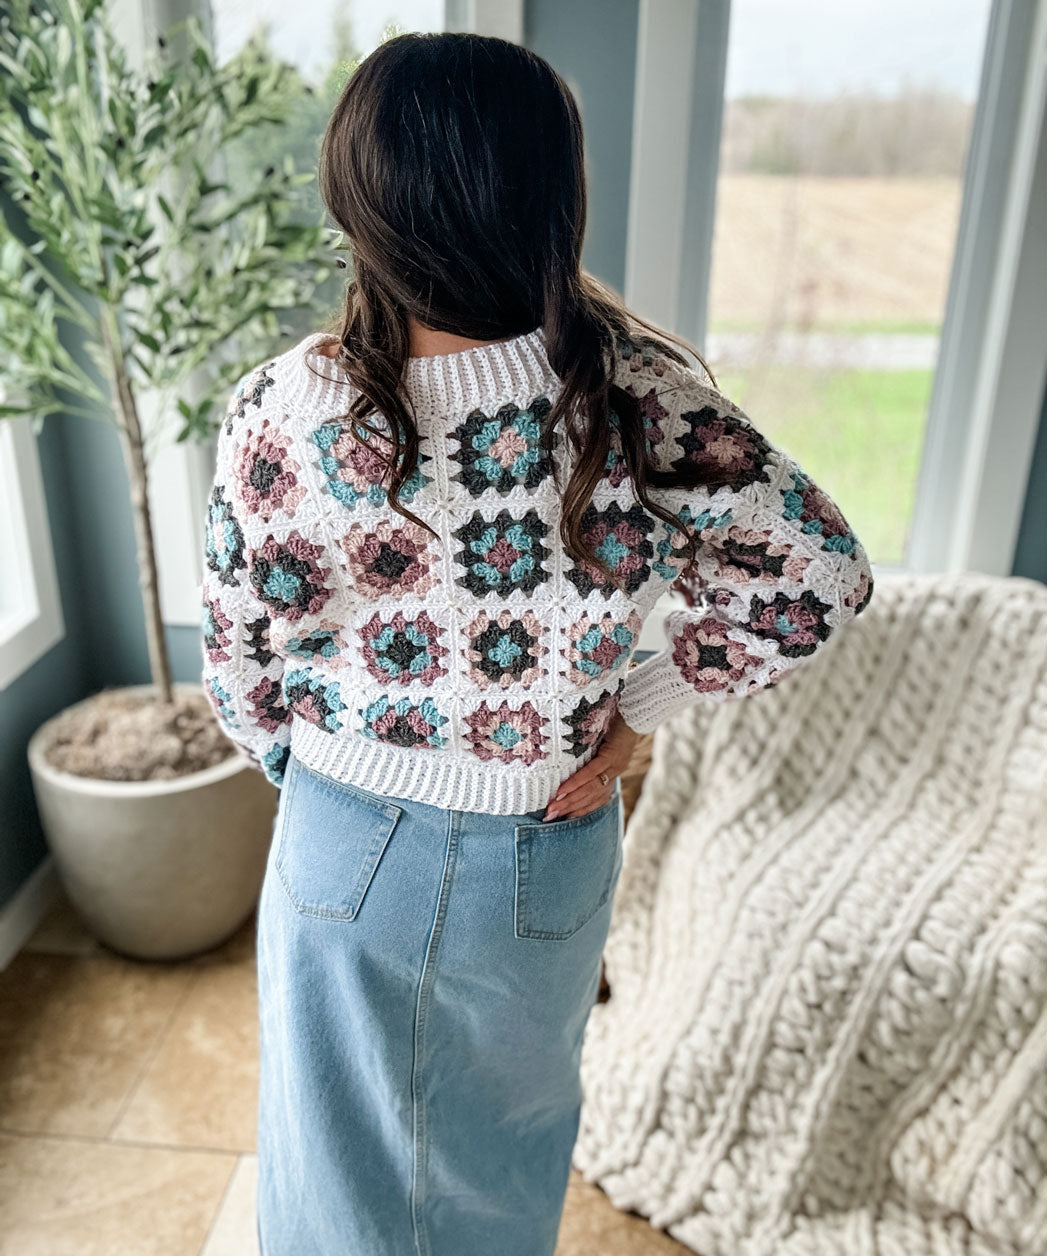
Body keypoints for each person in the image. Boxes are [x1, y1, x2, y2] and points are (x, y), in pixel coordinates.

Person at [198, 30, 875, 1256]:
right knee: (506, 1154)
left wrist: (323, 771)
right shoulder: (637, 393)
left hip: (345, 838)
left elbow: (240, 661)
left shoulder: (283, 408)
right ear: (554, 196)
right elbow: (819, 571)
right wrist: (639, 712)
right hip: (548, 845)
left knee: (332, 1175)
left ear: (358, 202)